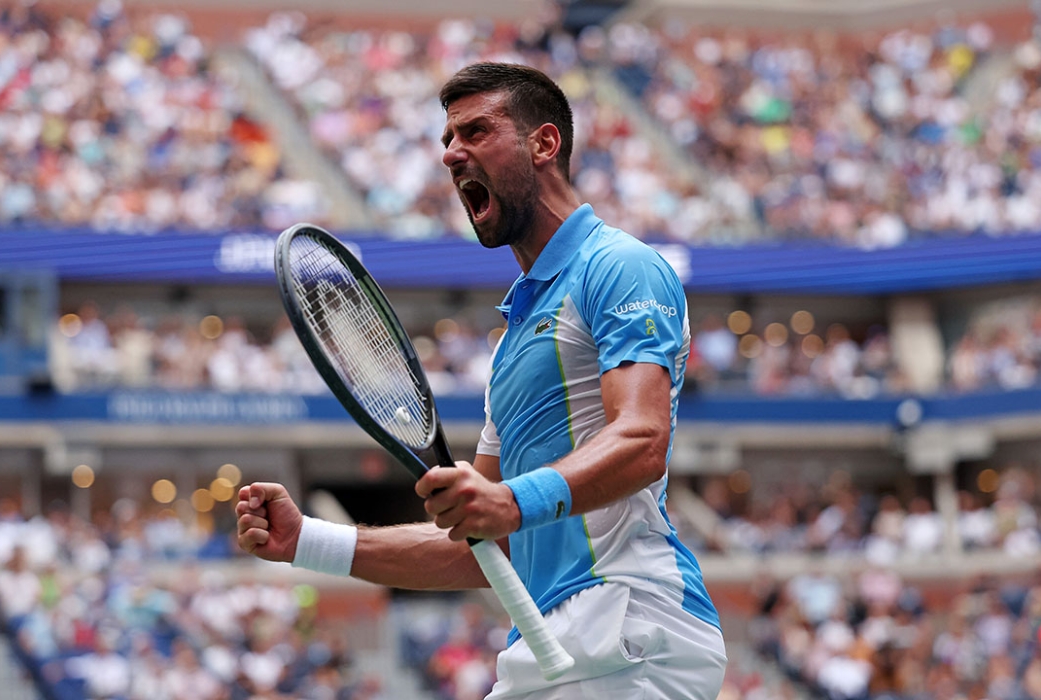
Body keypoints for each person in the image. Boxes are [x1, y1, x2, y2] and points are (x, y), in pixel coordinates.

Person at [236, 61, 727, 699]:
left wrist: (511, 503)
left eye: (475, 132)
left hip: (628, 624)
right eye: (447, 139)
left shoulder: (619, 265)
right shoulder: (514, 345)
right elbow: (478, 547)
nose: (450, 154)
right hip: (557, 646)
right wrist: (309, 541)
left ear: (544, 144)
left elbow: (641, 440)